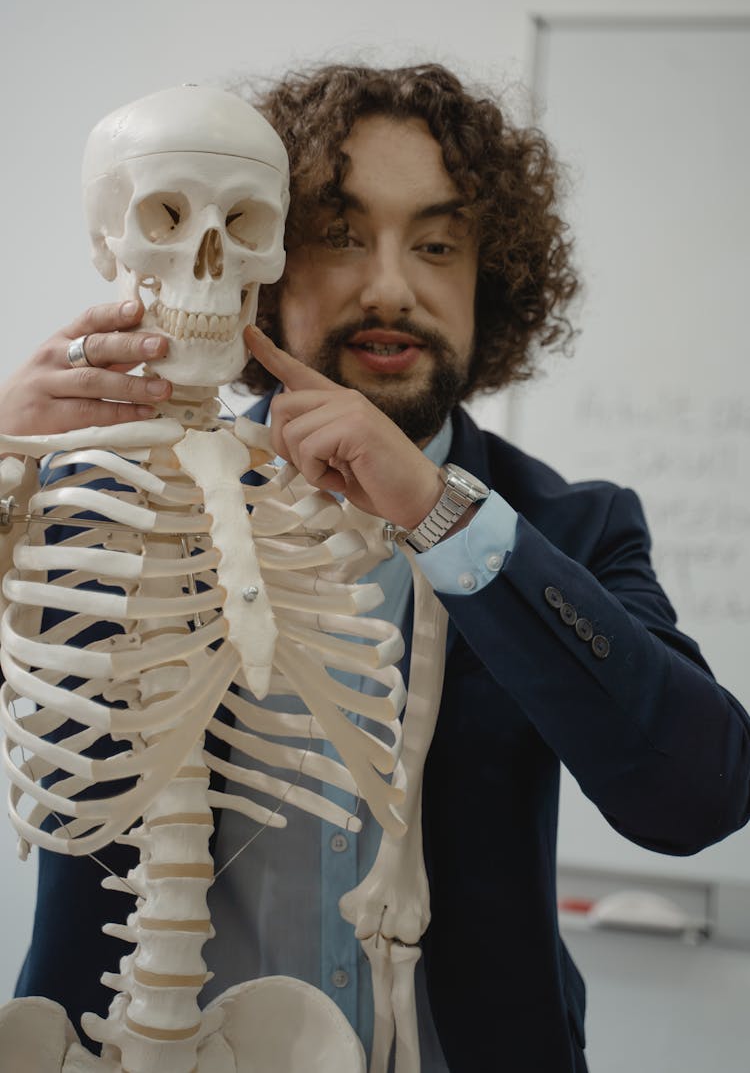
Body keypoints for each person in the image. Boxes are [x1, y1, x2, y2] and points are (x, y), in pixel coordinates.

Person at [3, 63, 750, 1073]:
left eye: (437, 245)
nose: (391, 286)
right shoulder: (89, 495)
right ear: (267, 270)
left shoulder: (570, 528)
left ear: (493, 280)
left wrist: (438, 516)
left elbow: (696, 799)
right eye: (340, 236)